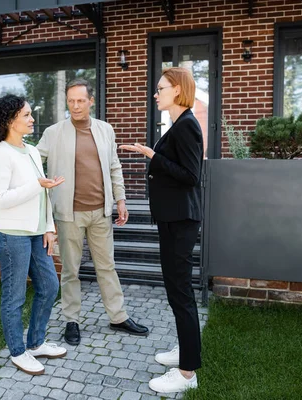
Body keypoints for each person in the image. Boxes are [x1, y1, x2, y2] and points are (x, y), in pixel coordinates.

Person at [36, 79, 149, 346]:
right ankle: (71, 320)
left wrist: (120, 200)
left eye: (80, 100)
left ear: (90, 101)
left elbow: (114, 167)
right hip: (68, 213)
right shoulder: (54, 133)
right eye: (71, 101)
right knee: (71, 270)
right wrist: (3, 155)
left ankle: (118, 316)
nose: (75, 106)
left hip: (101, 212)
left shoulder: (104, 130)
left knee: (106, 266)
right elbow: (32, 159)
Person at [120, 67, 204, 393]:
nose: (155, 94)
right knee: (175, 291)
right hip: (173, 219)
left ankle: (186, 374)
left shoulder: (186, 127)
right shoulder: (177, 125)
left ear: (177, 90)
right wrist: (151, 154)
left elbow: (191, 175)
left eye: (160, 88)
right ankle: (186, 351)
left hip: (181, 220)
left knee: (181, 293)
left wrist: (152, 155)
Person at [0, 94, 67, 375]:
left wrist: (48, 227)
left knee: (49, 287)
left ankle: (35, 343)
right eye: (26, 115)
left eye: (31, 114)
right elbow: (1, 199)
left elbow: (42, 194)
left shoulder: (31, 151)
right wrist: (37, 184)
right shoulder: (0, 154)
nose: (32, 119)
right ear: (10, 121)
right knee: (14, 296)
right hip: (11, 235)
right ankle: (18, 352)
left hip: (35, 233)